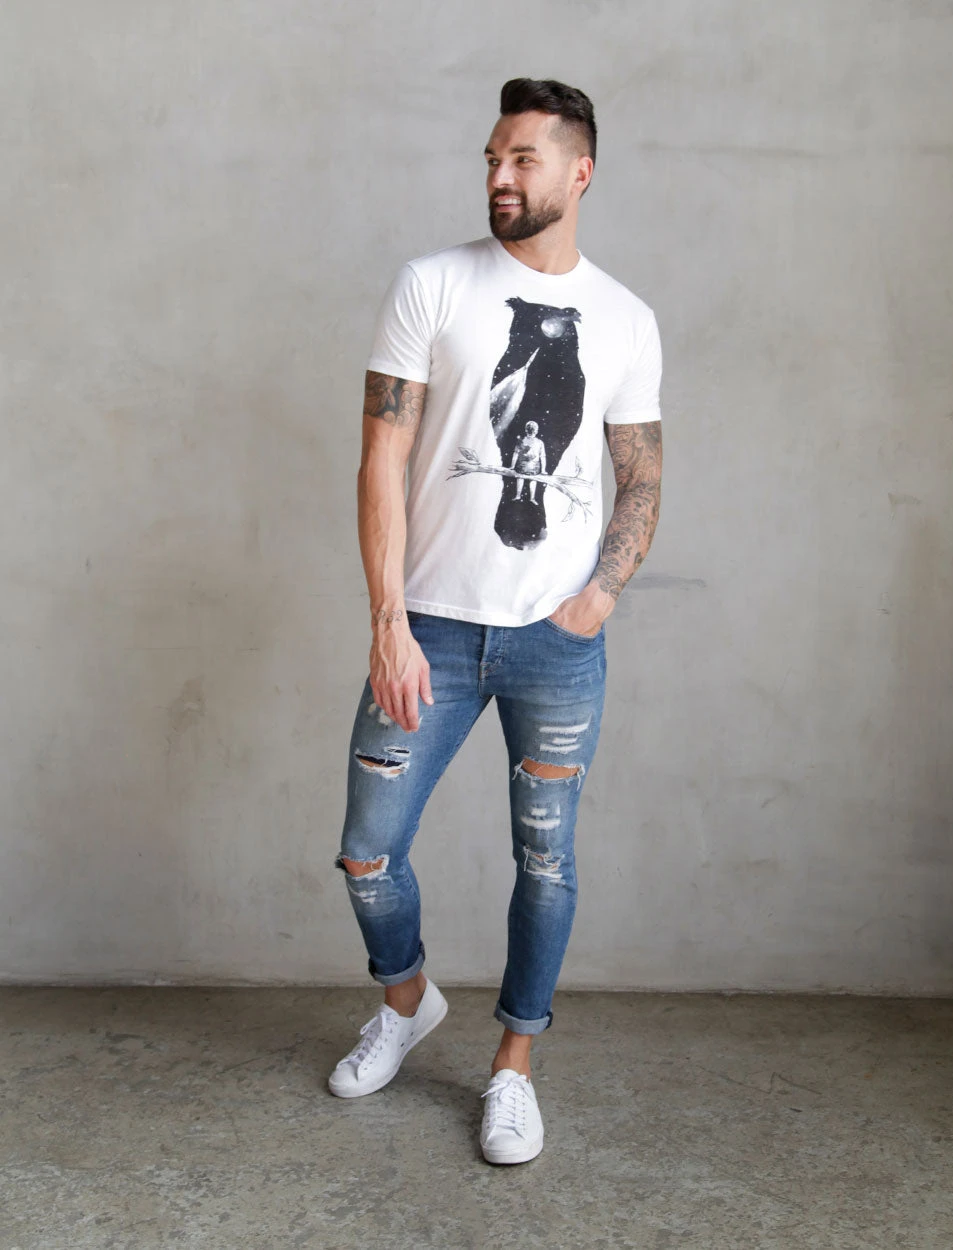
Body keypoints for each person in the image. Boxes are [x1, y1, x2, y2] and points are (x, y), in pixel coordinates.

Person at [327, 77, 663, 1166]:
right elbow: (380, 459)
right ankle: (406, 1001)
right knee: (368, 852)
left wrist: (598, 596)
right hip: (428, 626)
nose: (499, 177)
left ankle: (512, 1066)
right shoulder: (431, 283)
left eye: (522, 158)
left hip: (554, 647)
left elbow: (639, 476)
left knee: (546, 864)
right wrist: (388, 622)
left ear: (580, 171)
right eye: (490, 158)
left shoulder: (626, 319)